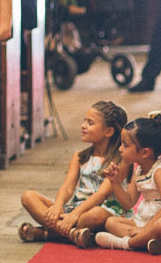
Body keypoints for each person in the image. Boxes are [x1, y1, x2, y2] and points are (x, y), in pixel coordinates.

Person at [93, 113, 161, 255]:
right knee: (110, 222)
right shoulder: (139, 170)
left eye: (125, 145)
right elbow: (128, 203)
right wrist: (115, 183)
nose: (120, 149)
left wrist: (146, 229)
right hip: (147, 220)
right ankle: (155, 243)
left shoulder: (160, 172)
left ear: (145, 152)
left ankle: (127, 243)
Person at [18, 101, 128, 245]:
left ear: (108, 131)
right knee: (28, 197)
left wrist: (75, 215)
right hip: (76, 207)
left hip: (102, 209)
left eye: (90, 123)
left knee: (94, 215)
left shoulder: (119, 160)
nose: (83, 126)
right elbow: (68, 187)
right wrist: (58, 205)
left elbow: (102, 194)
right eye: (84, 121)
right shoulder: (79, 157)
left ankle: (48, 232)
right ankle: (72, 234)